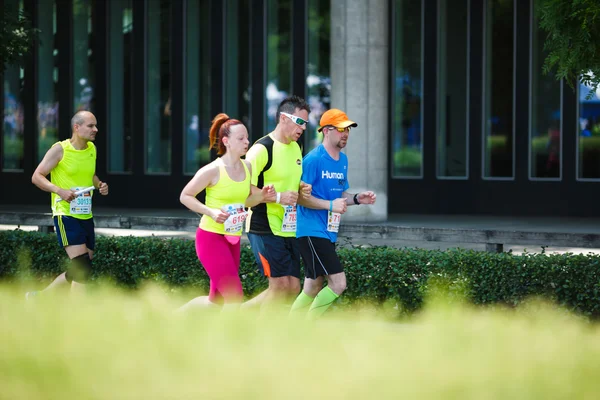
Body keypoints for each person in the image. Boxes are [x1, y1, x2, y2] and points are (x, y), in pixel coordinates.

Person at [177, 113, 274, 311]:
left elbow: (245, 200)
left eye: (247, 137)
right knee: (234, 295)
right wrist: (210, 212)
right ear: (226, 141)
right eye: (241, 138)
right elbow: (185, 195)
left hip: (233, 238)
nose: (247, 142)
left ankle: (175, 318)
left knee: (217, 300)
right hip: (210, 237)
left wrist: (263, 195)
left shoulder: (247, 167)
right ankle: (226, 340)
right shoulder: (212, 170)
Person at [291, 108, 376, 318]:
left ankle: (290, 329)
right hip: (311, 230)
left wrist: (356, 198)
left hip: (328, 231)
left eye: (347, 129)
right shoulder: (312, 160)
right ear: (326, 131)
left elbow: (340, 196)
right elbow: (300, 197)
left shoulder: (343, 160)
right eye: (340, 129)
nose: (345, 134)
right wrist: (330, 205)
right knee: (338, 283)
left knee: (312, 286)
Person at [28, 111, 109, 297]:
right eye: (91, 126)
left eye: (96, 125)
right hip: (65, 214)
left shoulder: (92, 149)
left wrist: (100, 184)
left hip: (85, 214)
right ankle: (76, 314)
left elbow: (91, 176)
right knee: (82, 266)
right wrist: (59, 191)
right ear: (76, 127)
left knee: (82, 267)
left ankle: (39, 297)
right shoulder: (60, 149)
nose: (95, 129)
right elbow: (36, 176)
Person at [243, 95, 312, 310]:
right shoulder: (261, 149)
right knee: (280, 285)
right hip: (263, 225)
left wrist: (301, 187)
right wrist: (277, 197)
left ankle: (238, 315)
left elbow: (288, 179)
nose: (303, 128)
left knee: (292, 287)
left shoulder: (296, 147)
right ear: (283, 118)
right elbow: (244, 192)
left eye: (306, 123)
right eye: (299, 121)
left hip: (289, 227)